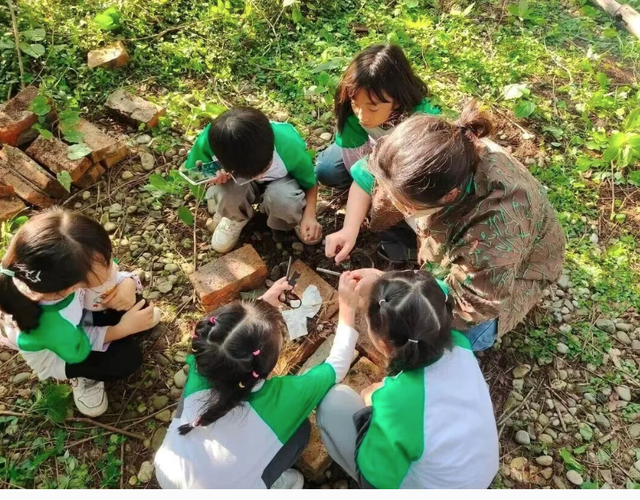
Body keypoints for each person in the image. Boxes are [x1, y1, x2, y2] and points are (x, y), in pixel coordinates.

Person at [325, 104, 565, 351]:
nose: (392, 204)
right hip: (471, 241)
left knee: (436, 341)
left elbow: (472, 303)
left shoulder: (497, 225)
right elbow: (375, 177)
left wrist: (388, 285)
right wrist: (350, 229)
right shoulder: (427, 151)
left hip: (513, 276)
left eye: (406, 207)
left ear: (449, 196)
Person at [154, 274, 359, 489]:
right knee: (301, 432)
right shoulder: (284, 399)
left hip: (169, 474)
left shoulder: (203, 363)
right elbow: (335, 367)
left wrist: (258, 311)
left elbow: (230, 340)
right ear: (265, 366)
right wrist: (348, 309)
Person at [317, 269, 499, 488]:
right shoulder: (460, 344)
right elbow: (436, 291)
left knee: (332, 403)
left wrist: (372, 406)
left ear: (383, 343)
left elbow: (374, 477)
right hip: (476, 476)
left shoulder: (394, 403)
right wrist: (383, 281)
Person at [0, 209, 158, 416]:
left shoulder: (65, 268)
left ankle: (116, 332)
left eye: (107, 261)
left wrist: (127, 283)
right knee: (127, 358)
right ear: (69, 287)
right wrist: (122, 328)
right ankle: (83, 376)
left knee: (136, 306)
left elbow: (107, 275)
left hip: (77, 318)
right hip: (65, 352)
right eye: (104, 265)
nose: (110, 267)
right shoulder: (49, 324)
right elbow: (79, 346)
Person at [185, 107, 321, 254]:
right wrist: (213, 177)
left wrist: (309, 215)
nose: (260, 176)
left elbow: (311, 183)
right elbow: (194, 173)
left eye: (266, 168)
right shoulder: (212, 142)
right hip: (236, 184)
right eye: (251, 174)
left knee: (285, 202)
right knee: (223, 193)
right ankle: (236, 218)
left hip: (282, 184)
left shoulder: (288, 146)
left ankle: (289, 220)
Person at [316, 43, 439, 189]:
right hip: (368, 146)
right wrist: (367, 185)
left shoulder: (421, 121)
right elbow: (354, 165)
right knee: (327, 170)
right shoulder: (351, 111)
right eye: (356, 104)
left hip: (402, 155)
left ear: (397, 100)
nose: (362, 116)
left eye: (372, 108)